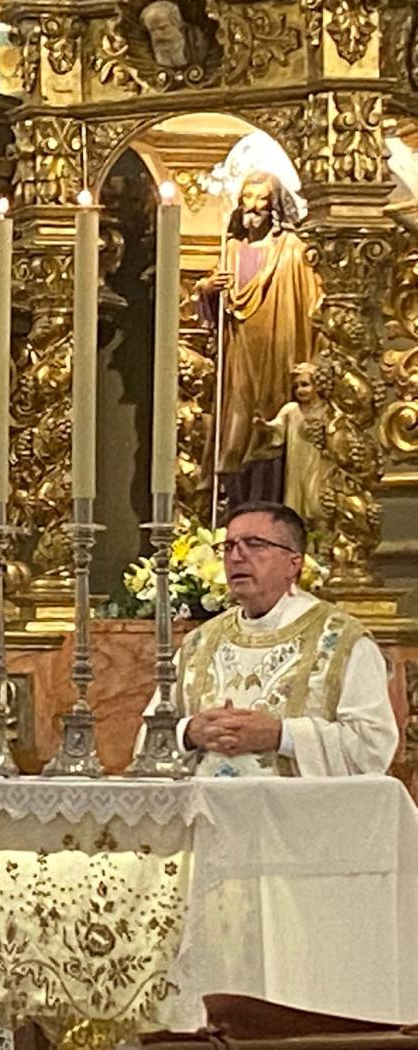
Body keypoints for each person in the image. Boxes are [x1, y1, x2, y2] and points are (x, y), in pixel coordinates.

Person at [138, 502, 398, 777]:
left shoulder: (343, 641)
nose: (236, 557)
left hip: (297, 805)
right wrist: (189, 733)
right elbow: (148, 740)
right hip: (205, 803)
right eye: (229, 546)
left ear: (293, 563)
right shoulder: (199, 643)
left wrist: (281, 735)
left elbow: (372, 747)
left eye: (254, 544)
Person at [196, 172, 322, 508]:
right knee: (237, 420)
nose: (253, 206)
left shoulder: (291, 249)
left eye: (262, 198)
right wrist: (208, 290)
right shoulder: (232, 250)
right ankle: (233, 499)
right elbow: (214, 311)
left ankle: (274, 500)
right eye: (247, 198)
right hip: (239, 348)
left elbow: (312, 305)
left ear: (275, 205)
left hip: (280, 344)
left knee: (274, 414)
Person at [253, 362, 332, 529]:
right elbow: (277, 430)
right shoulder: (291, 410)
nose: (300, 390)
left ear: (317, 386)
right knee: (296, 502)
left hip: (320, 466)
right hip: (296, 466)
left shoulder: (328, 411)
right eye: (296, 386)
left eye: (305, 384)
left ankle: (322, 538)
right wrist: (264, 426)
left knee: (317, 502)